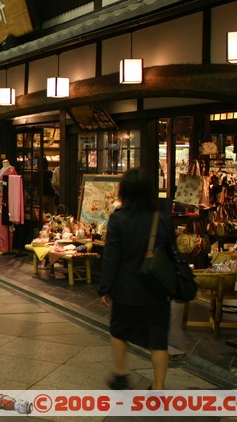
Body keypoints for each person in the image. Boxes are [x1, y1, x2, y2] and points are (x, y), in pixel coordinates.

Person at [98, 168, 177, 391]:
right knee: (159, 339)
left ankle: (122, 374)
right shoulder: (163, 219)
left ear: (125, 192)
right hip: (157, 289)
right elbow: (173, 254)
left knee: (119, 331)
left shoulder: (118, 219)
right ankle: (159, 387)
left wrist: (106, 287)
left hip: (126, 289)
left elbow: (111, 257)